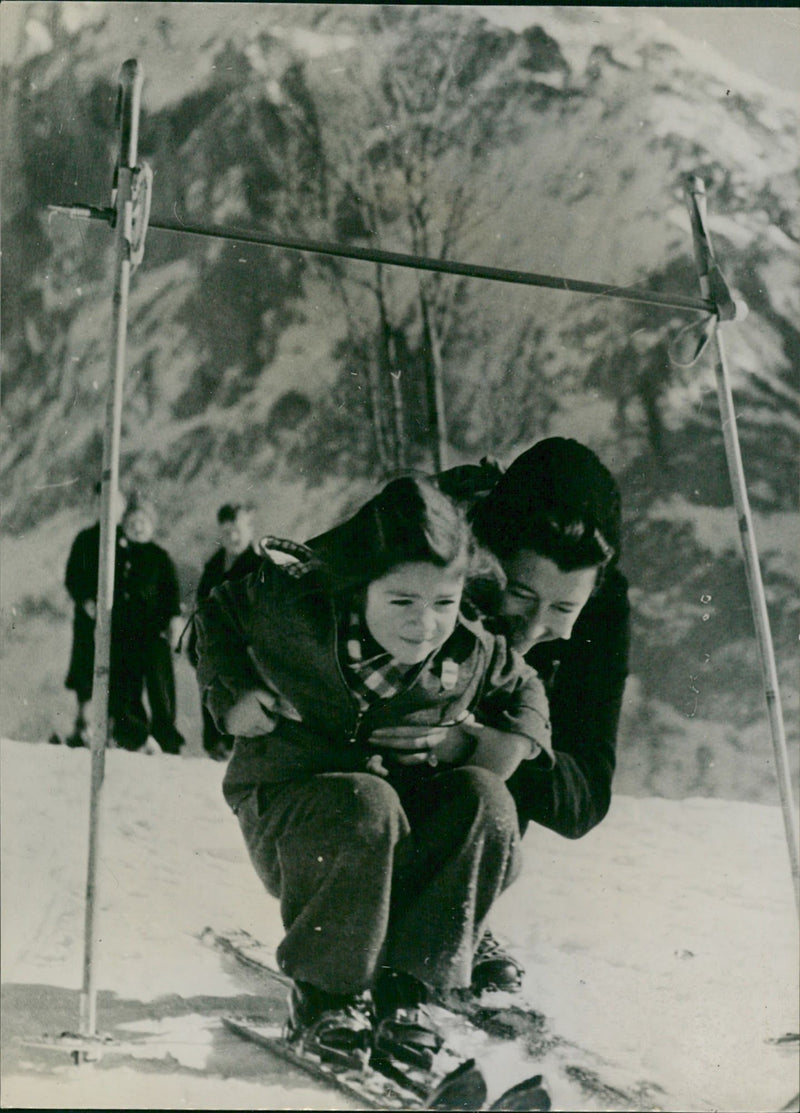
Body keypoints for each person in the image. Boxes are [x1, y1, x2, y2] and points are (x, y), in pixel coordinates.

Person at [194, 477, 553, 1069]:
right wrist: (231, 689)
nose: (425, 625)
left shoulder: (469, 647)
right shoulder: (294, 613)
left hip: (399, 838)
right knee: (366, 801)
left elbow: (525, 687)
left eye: (444, 602)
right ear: (361, 588)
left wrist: (514, 741)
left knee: (486, 798)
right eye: (402, 602)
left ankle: (407, 987)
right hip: (297, 819)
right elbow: (215, 615)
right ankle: (326, 995)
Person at [433, 436, 630, 994]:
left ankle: (462, 916)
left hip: (474, 787)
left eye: (564, 608)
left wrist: (505, 748)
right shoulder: (431, 543)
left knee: (506, 752)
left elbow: (586, 794)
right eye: (520, 594)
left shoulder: (603, 604)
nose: (534, 627)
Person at [110, 492, 186, 754]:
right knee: (126, 687)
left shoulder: (160, 557)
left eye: (143, 521)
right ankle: (135, 737)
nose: (137, 526)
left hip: (154, 633)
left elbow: (172, 593)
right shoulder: (116, 556)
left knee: (160, 687)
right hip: (123, 633)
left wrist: (174, 621)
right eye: (132, 522)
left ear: (151, 526)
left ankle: (166, 737)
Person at [191, 503, 263, 760]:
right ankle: (216, 746)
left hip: (246, 646)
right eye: (226, 532)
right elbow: (200, 606)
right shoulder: (213, 567)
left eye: (237, 530)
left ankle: (241, 748)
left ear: (249, 529)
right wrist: (193, 645)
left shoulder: (259, 565)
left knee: (242, 696)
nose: (232, 537)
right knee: (213, 694)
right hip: (213, 645)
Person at [59, 481, 126, 747]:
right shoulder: (85, 539)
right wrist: (86, 601)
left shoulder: (127, 540)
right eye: (101, 503)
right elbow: (72, 576)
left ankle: (114, 730)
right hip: (88, 619)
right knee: (86, 670)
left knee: (119, 671)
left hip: (120, 620)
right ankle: (84, 725)